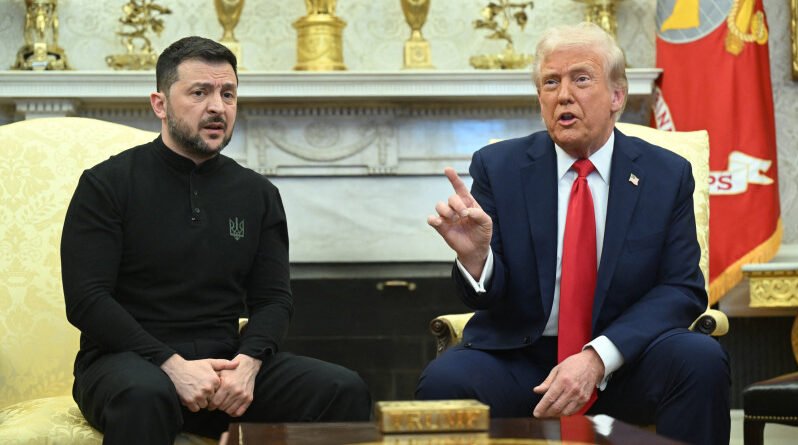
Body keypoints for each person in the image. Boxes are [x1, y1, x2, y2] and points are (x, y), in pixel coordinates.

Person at [416, 22, 730, 445]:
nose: (563, 94)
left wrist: (598, 357)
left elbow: (681, 288)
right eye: (551, 82)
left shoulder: (665, 174)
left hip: (627, 359)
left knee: (700, 360)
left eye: (581, 79)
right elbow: (487, 296)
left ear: (617, 96)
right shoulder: (500, 168)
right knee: (444, 382)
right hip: (524, 359)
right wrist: (477, 261)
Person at [61, 36, 371, 444]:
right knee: (145, 395)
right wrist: (171, 365)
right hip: (126, 361)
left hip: (224, 363)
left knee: (342, 388)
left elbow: (274, 299)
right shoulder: (107, 184)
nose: (217, 107)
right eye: (199, 92)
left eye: (228, 94)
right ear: (160, 104)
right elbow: (87, 300)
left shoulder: (257, 193)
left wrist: (249, 363)